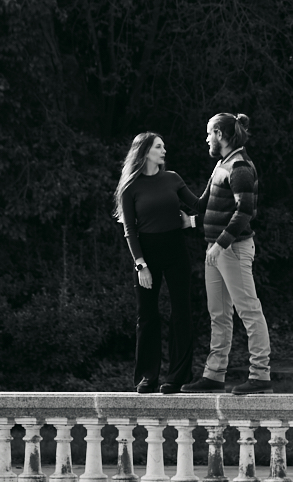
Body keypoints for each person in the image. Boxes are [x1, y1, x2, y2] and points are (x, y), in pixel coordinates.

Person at [180, 112, 271, 394]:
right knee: (218, 314)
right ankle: (214, 374)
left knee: (249, 310)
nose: (206, 138)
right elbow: (204, 205)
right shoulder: (222, 164)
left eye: (209, 133)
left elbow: (245, 211)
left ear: (220, 134)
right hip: (216, 250)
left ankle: (260, 375)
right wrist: (170, 186)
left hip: (232, 249)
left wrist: (220, 243)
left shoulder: (240, 167)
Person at [114, 131, 200, 393]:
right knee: (148, 315)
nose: (164, 150)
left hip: (176, 248)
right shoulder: (131, 186)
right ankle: (147, 376)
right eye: (159, 147)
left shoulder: (172, 179)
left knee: (181, 311)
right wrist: (141, 264)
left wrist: (193, 221)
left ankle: (178, 376)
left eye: (163, 146)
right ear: (145, 151)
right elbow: (130, 229)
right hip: (147, 254)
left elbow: (199, 205)